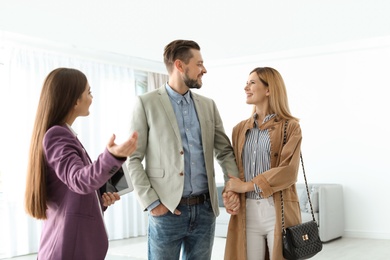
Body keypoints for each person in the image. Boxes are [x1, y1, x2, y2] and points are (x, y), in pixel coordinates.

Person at [127, 39, 240, 260]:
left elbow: (224, 151)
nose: (204, 70)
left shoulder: (208, 105)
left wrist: (232, 185)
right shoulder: (146, 103)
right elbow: (133, 158)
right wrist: (152, 203)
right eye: (199, 64)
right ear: (180, 66)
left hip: (205, 211)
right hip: (166, 211)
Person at [24, 67, 138, 260]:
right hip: (67, 248)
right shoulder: (57, 135)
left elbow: (73, 188)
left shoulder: (63, 135)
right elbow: (78, 179)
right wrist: (112, 156)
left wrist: (99, 198)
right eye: (89, 92)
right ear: (75, 100)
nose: (92, 98)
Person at [224, 67, 302, 260]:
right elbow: (233, 170)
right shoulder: (239, 129)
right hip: (247, 210)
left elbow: (288, 171)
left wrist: (247, 186)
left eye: (252, 82)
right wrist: (231, 193)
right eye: (246, 82)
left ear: (268, 89)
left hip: (277, 209)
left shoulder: (290, 127)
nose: (246, 87)